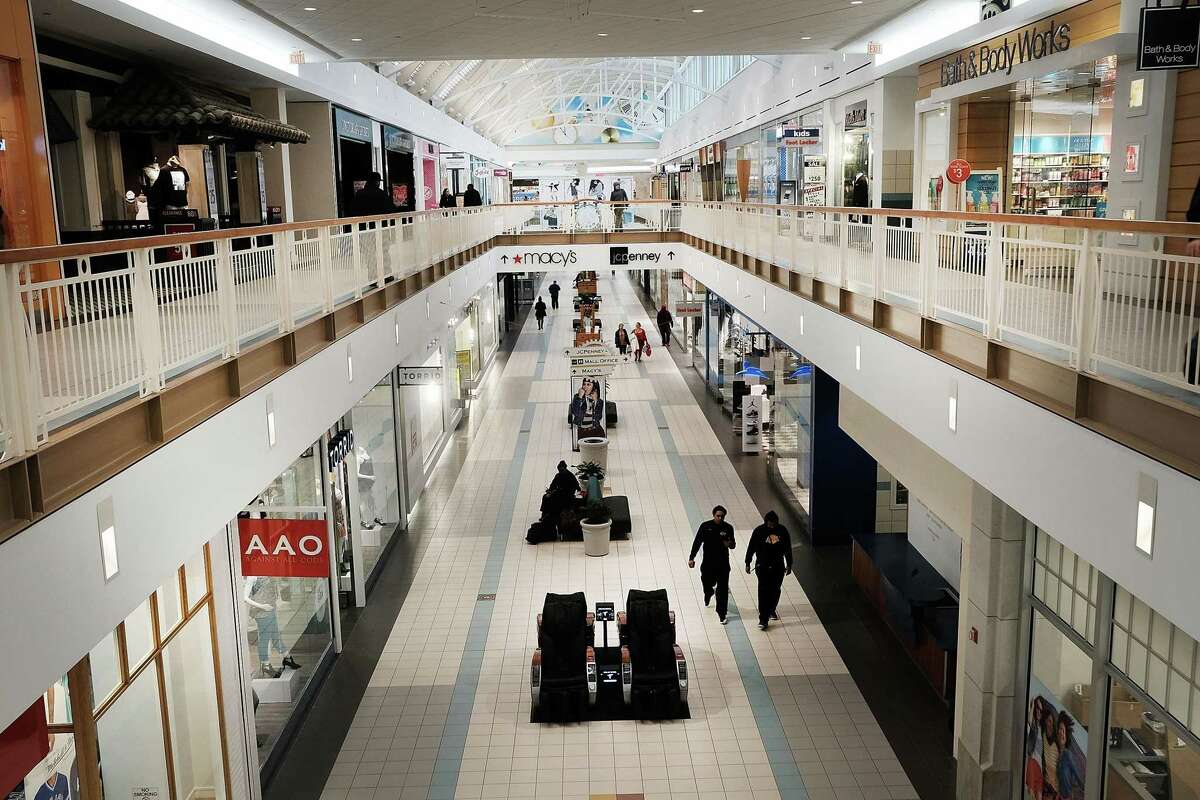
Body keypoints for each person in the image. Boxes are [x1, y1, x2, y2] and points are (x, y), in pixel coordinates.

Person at [745, 511, 792, 630]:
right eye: (770, 524)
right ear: (766, 522)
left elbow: (787, 548)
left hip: (778, 566)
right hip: (762, 566)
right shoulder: (759, 531)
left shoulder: (782, 531)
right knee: (763, 591)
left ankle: (771, 609)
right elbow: (751, 547)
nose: (772, 527)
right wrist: (747, 562)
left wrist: (789, 563)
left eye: (774, 524)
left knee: (775, 590)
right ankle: (763, 618)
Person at [689, 505, 736, 623]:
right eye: (718, 516)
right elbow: (697, 542)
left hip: (723, 564)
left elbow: (733, 544)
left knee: (723, 589)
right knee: (706, 581)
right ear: (713, 515)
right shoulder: (706, 526)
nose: (720, 518)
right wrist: (692, 557)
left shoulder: (728, 528)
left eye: (722, 516)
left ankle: (722, 613)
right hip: (708, 563)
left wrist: (729, 544)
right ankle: (708, 592)